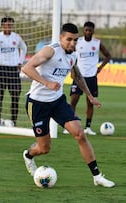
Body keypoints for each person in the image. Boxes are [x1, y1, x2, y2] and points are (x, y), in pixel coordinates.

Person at [21, 23, 115, 188]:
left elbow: (77, 75)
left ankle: (97, 176)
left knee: (80, 134)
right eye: (69, 39)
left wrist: (90, 96)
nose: (72, 43)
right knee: (44, 148)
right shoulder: (50, 51)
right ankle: (28, 155)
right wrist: (47, 83)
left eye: (75, 40)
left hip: (57, 102)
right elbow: (27, 68)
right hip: (37, 103)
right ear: (61, 38)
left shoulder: (73, 55)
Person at [64, 21, 111, 135]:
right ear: (83, 30)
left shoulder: (97, 43)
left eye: (90, 30)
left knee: (90, 103)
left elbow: (108, 55)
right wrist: (72, 70)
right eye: (86, 30)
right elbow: (71, 56)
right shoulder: (77, 42)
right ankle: (69, 126)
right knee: (73, 100)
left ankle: (88, 127)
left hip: (91, 77)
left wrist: (100, 68)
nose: (88, 32)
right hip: (79, 76)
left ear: (93, 31)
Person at [0, 16, 27, 126]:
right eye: (7, 25)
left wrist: (20, 61)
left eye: (11, 25)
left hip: (13, 70)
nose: (9, 27)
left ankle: (13, 121)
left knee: (15, 97)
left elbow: (24, 48)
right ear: (3, 26)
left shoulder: (16, 37)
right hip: (1, 69)